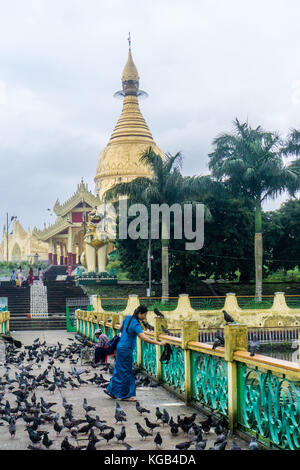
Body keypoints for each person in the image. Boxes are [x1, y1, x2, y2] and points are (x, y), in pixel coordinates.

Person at [104, 305, 167, 402]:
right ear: (140, 314)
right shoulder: (136, 324)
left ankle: (111, 390)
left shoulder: (128, 318)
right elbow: (144, 338)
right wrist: (159, 343)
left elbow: (120, 328)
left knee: (119, 369)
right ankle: (125, 395)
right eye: (145, 314)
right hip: (126, 349)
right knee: (126, 371)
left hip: (120, 347)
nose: (145, 317)